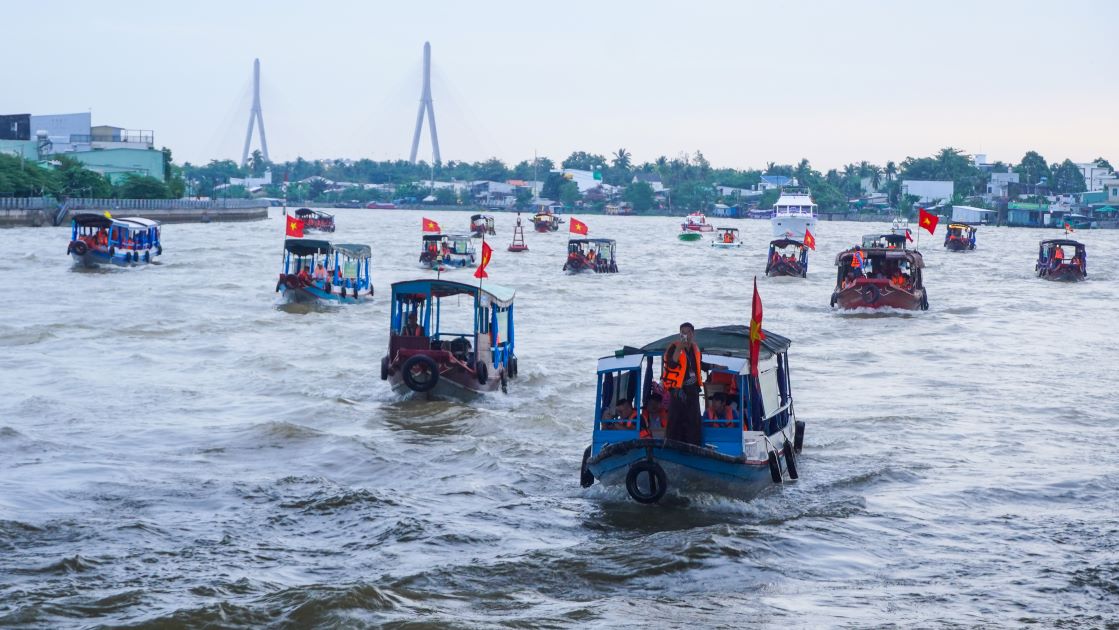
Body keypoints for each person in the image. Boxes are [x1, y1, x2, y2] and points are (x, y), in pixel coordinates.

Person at [663, 322, 703, 445]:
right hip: (678, 391)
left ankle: (693, 447)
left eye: (687, 332)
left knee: (693, 421)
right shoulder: (674, 347)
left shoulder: (695, 349)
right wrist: (680, 348)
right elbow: (672, 364)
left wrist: (714, 366)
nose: (685, 335)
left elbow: (698, 365)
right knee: (676, 421)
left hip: (693, 391)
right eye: (682, 333)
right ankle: (673, 447)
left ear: (693, 334)